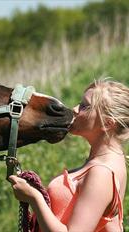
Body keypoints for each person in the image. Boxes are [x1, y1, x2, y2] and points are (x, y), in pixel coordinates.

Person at [9, 79, 128, 232]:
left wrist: (33, 198)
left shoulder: (101, 173)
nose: (75, 109)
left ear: (108, 123)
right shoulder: (110, 160)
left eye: (85, 106)